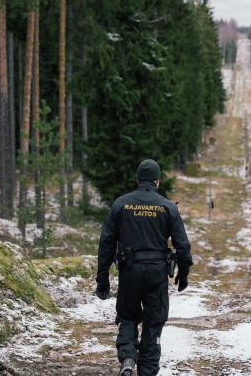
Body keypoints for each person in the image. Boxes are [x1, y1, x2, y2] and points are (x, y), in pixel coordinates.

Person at [95, 159, 193, 376]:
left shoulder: (121, 204)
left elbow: (106, 243)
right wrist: (183, 274)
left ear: (138, 180)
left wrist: (102, 280)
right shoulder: (168, 207)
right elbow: (182, 246)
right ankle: (147, 371)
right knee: (153, 322)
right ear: (157, 181)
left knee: (128, 317)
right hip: (157, 272)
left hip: (129, 270)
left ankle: (128, 358)